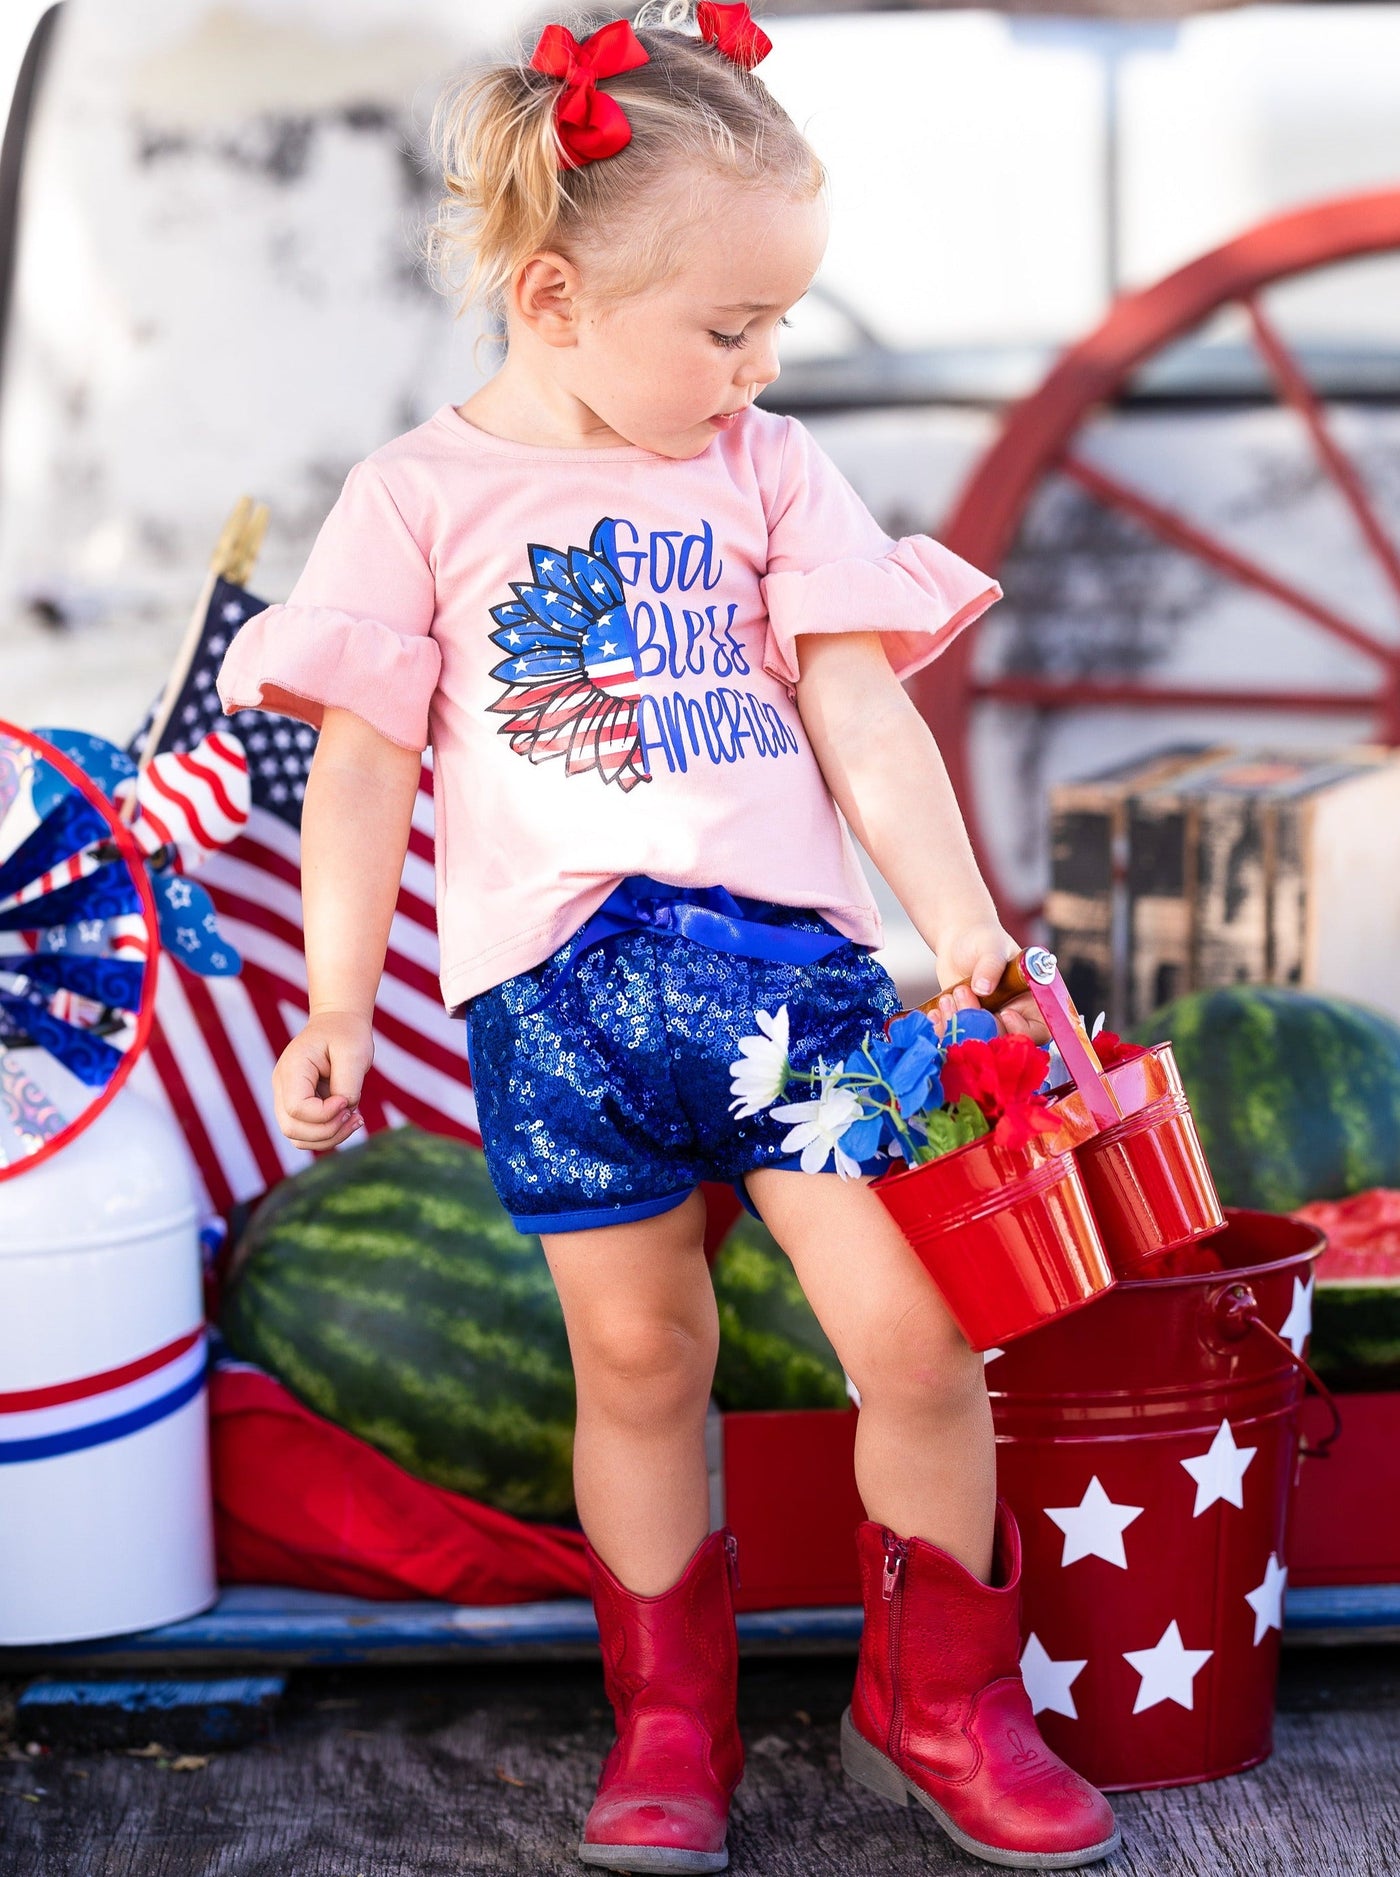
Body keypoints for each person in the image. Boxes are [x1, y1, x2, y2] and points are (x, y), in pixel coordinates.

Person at [216, 4, 1120, 1869]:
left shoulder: (768, 472)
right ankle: (669, 1720)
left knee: (921, 1327)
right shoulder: (417, 499)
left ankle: (941, 1694)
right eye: (728, 329)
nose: (762, 365)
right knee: (637, 1360)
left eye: (777, 323)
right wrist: (325, 998)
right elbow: (365, 778)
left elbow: (864, 715)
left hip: (788, 990)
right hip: (557, 1006)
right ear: (552, 300)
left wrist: (956, 925)